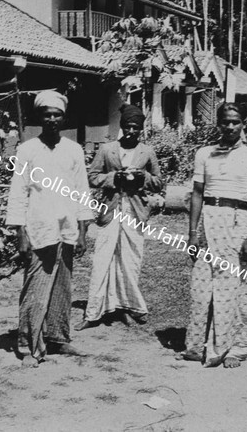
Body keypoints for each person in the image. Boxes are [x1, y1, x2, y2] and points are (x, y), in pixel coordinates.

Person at [6, 90, 94, 367]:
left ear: (64, 117)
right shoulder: (27, 150)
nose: (52, 119)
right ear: (39, 117)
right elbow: (18, 193)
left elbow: (82, 191)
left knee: (62, 286)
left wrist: (82, 231)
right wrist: (20, 234)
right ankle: (26, 342)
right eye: (47, 115)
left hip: (66, 227)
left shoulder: (74, 150)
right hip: (38, 228)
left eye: (57, 114)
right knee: (36, 286)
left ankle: (58, 338)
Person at [178, 103, 247, 368]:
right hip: (209, 219)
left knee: (231, 285)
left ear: (242, 124)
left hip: (237, 220)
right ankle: (195, 346)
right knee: (202, 284)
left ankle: (230, 349)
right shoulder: (205, 153)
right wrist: (193, 232)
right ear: (218, 124)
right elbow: (197, 193)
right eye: (225, 122)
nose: (230, 127)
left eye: (235, 122)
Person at [75, 104, 164, 331]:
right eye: (127, 127)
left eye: (136, 128)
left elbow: (159, 181)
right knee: (103, 258)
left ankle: (127, 307)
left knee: (131, 260)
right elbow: (93, 177)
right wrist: (115, 177)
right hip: (111, 210)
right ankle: (94, 312)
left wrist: (142, 177)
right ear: (122, 127)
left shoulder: (147, 152)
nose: (131, 131)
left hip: (135, 211)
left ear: (141, 129)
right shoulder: (107, 150)